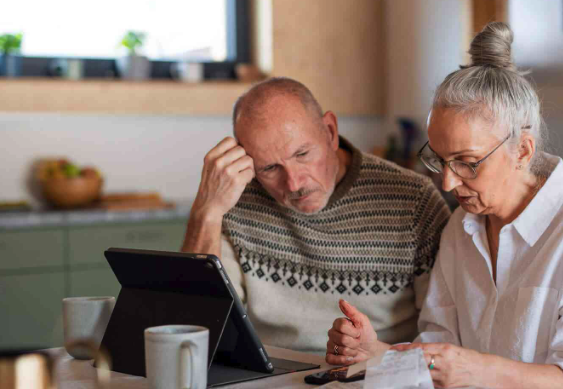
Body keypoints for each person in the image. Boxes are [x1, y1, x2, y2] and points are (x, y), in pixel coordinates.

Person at [326, 22, 563, 389]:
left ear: (522, 151)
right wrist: (378, 353)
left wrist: (477, 370)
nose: (449, 182)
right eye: (438, 159)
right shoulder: (461, 228)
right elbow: (441, 353)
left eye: (468, 163)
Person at [181, 77, 450, 354]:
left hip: (377, 378)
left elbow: (445, 339)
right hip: (269, 380)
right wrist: (207, 211)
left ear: (330, 132)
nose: (294, 184)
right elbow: (195, 327)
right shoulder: (235, 198)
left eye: (302, 154)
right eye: (270, 168)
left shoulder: (414, 200)